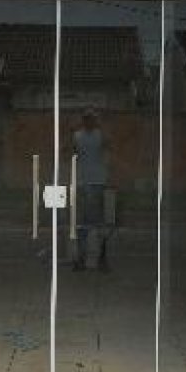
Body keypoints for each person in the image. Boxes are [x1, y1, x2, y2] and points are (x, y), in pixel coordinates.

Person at [71, 108, 111, 272]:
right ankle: (83, 258)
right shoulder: (78, 136)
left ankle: (99, 258)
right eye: (87, 119)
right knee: (84, 222)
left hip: (95, 181)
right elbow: (71, 153)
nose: (89, 121)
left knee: (96, 221)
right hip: (84, 182)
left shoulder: (99, 135)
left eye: (91, 119)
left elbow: (108, 148)